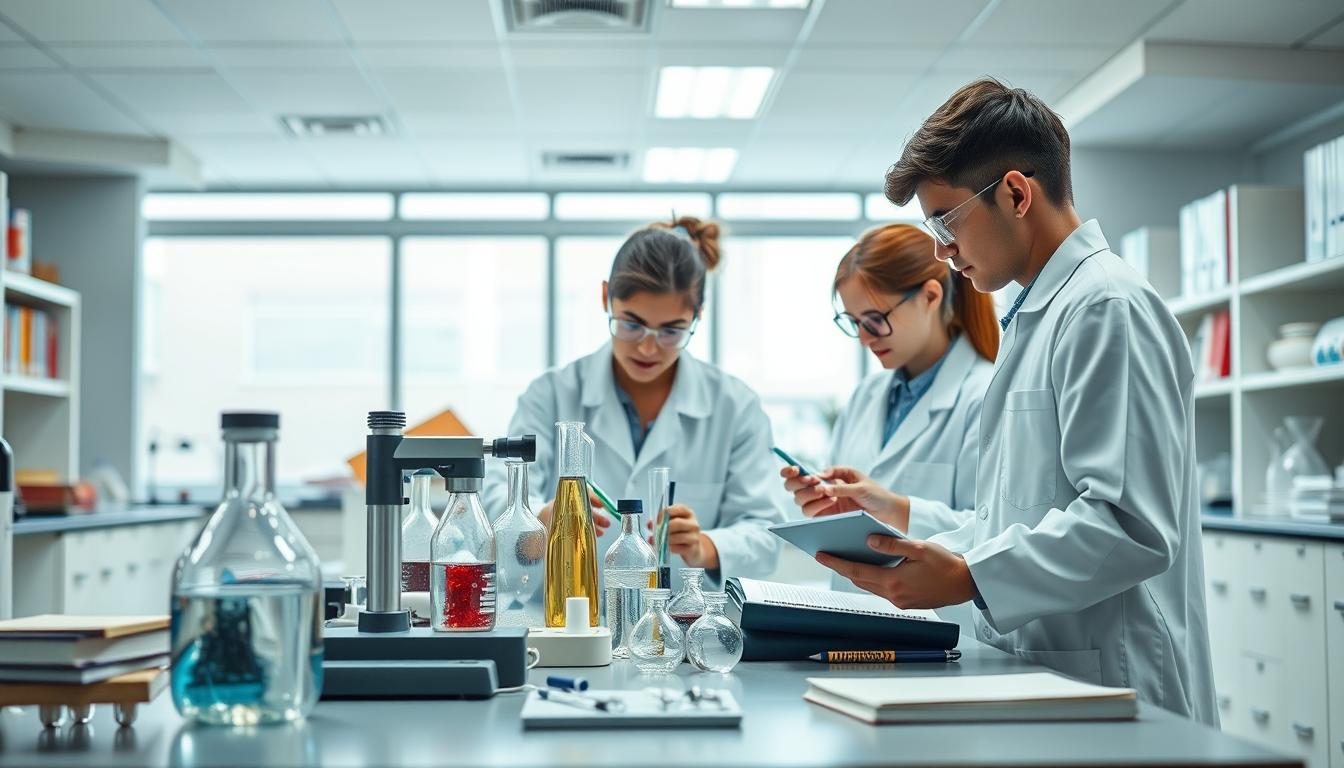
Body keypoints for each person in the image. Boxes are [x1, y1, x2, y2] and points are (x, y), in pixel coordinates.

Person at [810, 78, 1217, 724]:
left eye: (945, 220)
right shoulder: (1037, 318)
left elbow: (1132, 526)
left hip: (1115, 679)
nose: (941, 250)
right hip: (1049, 674)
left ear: (1016, 194)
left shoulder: (1107, 306)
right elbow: (1013, 519)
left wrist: (969, 576)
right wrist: (929, 548)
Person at [484, 216, 783, 587]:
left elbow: (765, 534)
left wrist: (703, 546)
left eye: (671, 331)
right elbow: (494, 506)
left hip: (684, 618)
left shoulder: (735, 407)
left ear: (697, 316)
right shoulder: (550, 395)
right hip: (571, 616)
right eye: (631, 324)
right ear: (605, 297)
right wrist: (541, 523)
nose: (647, 347)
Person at [779, 223, 998, 607]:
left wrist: (898, 509)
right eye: (854, 323)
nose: (865, 338)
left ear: (930, 296)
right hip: (853, 616)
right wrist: (830, 505)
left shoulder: (985, 396)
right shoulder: (865, 398)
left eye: (875, 319)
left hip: (945, 624)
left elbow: (995, 532)